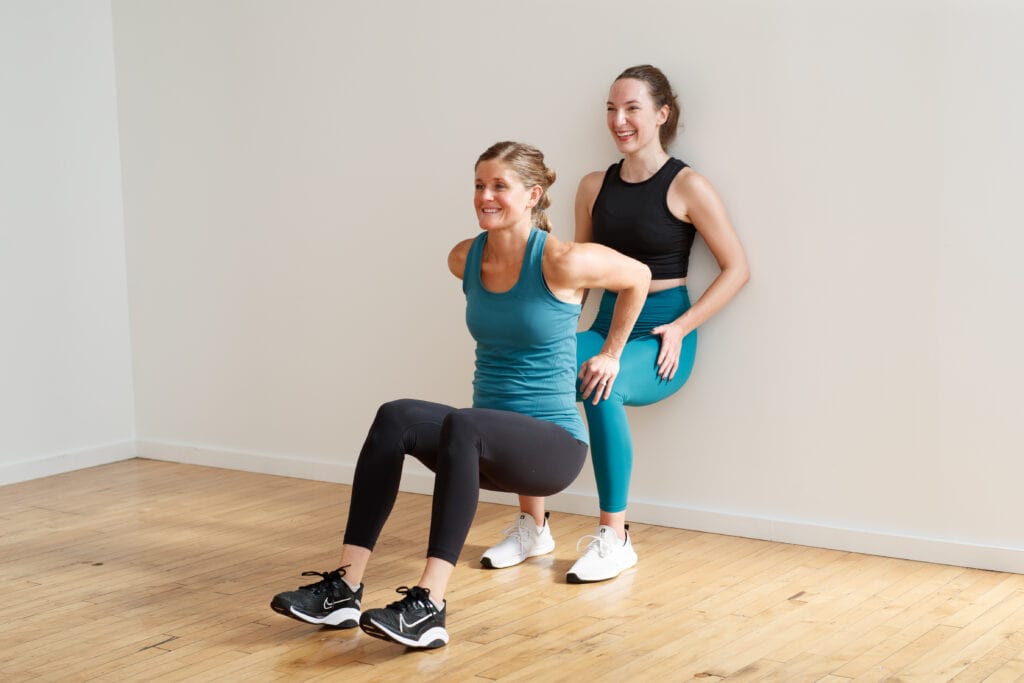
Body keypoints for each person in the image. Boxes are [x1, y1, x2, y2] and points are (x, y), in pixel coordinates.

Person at [269, 141, 651, 649]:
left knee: (465, 422)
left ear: (533, 195)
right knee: (395, 415)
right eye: (478, 185)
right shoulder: (465, 258)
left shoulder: (562, 261)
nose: (484, 196)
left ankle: (429, 604)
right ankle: (345, 586)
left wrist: (612, 353)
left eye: (499, 186)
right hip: (480, 445)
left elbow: (639, 277)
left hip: (552, 447)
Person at [481, 65, 750, 583]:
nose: (618, 120)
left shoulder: (688, 186)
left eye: (632, 109)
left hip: (660, 336)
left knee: (602, 385)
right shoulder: (592, 185)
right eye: (611, 108)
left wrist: (681, 328)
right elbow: (578, 275)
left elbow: (737, 269)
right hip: (605, 325)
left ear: (661, 115)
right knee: (532, 373)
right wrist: (551, 330)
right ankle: (533, 527)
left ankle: (616, 537)